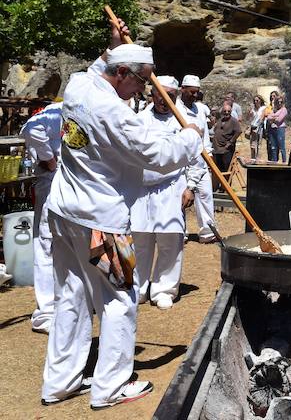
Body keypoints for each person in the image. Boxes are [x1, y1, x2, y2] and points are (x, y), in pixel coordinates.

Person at [41, 22, 201, 409]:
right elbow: (159, 156)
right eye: (140, 82)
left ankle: (60, 383)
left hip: (63, 213)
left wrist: (114, 45)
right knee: (120, 297)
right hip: (103, 223)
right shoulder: (115, 113)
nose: (143, 91)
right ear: (122, 73)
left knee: (72, 295)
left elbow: (96, 67)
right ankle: (110, 386)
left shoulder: (79, 85)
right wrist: (192, 135)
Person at [132, 77, 194, 310]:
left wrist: (191, 186)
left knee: (170, 239)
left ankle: (164, 288)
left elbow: (195, 155)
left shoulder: (183, 121)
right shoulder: (139, 120)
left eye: (170, 95)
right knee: (140, 239)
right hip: (140, 189)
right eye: (160, 94)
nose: (164, 99)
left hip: (172, 186)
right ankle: (138, 287)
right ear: (152, 95)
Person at [21, 100, 63, 334]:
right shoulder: (58, 111)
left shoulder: (92, 107)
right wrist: (49, 159)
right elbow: (32, 128)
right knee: (50, 245)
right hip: (58, 182)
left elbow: (32, 128)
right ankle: (48, 310)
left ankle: (57, 307)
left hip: (68, 184)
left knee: (57, 246)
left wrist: (49, 159)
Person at [178, 75, 217, 244]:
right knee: (181, 198)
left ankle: (208, 231)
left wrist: (209, 155)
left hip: (201, 161)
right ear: (183, 90)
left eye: (197, 92)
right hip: (182, 162)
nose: (195, 95)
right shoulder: (175, 109)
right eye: (192, 92)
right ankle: (181, 232)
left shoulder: (200, 109)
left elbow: (205, 137)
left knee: (206, 195)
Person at [211, 101, 241, 189]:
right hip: (217, 149)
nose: (227, 113)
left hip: (226, 149)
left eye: (228, 111)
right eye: (225, 111)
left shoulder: (233, 121)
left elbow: (238, 131)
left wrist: (231, 142)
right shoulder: (220, 120)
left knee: (226, 169)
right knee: (218, 169)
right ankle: (217, 186)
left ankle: (225, 188)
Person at [265, 95, 288, 163]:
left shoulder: (284, 110)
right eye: (278, 102)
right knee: (273, 147)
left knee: (281, 147)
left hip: (280, 129)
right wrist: (275, 117)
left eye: (281, 102)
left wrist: (273, 118)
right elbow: (268, 117)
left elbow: (279, 120)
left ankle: (284, 162)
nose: (279, 103)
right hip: (272, 129)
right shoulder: (274, 110)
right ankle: (275, 162)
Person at [248, 95, 266, 161]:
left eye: (257, 100)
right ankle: (252, 158)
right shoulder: (253, 109)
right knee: (252, 145)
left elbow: (262, 117)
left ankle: (258, 159)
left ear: (260, 101)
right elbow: (250, 118)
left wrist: (259, 125)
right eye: (254, 101)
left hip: (259, 127)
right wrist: (250, 113)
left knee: (258, 144)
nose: (256, 102)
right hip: (253, 126)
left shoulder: (263, 108)